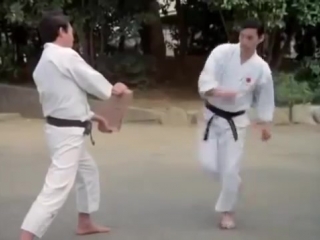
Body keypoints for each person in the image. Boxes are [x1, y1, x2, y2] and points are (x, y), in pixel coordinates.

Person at [20, 11, 129, 240]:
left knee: (87, 172)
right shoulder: (64, 56)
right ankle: (26, 237)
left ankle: (85, 221)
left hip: (59, 129)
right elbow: (91, 79)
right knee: (56, 188)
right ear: (61, 31)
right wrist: (113, 89)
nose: (73, 34)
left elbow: (64, 101)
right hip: (67, 134)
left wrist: (95, 117)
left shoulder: (44, 63)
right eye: (70, 28)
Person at [197, 19, 274, 230]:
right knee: (209, 165)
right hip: (211, 117)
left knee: (230, 169)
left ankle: (227, 212)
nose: (244, 41)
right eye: (242, 36)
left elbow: (265, 96)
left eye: (250, 37)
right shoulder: (222, 52)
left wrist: (265, 122)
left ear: (260, 38)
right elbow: (206, 79)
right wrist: (219, 91)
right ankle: (233, 183)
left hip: (236, 122)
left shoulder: (261, 68)